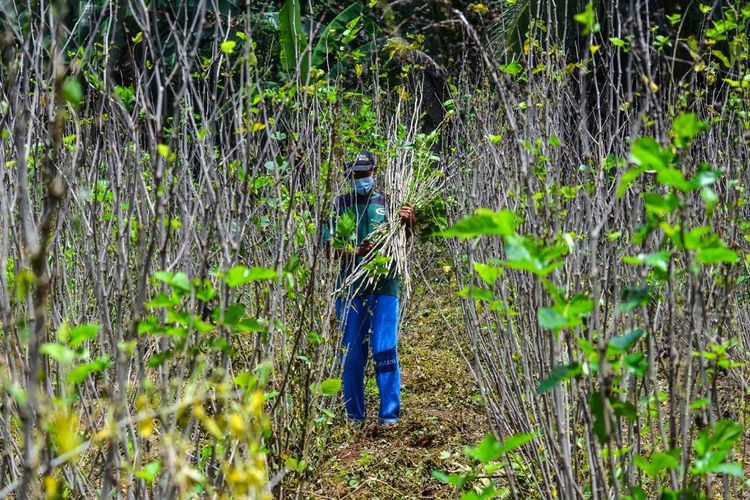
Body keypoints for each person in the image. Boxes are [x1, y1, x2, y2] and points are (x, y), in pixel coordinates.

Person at [322, 150, 416, 425]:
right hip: (351, 287)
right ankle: (354, 417)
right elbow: (328, 249)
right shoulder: (339, 206)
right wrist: (354, 252)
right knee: (352, 353)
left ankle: (390, 417)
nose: (360, 179)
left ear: (374, 173)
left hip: (386, 283)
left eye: (364, 174)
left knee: (384, 349)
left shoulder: (390, 203)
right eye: (355, 175)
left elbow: (403, 241)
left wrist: (410, 222)